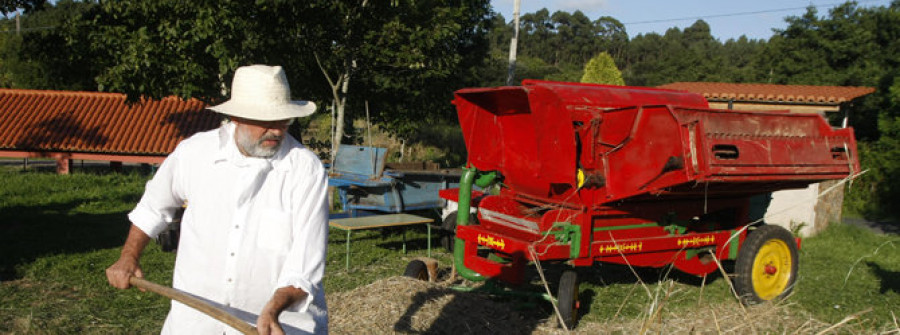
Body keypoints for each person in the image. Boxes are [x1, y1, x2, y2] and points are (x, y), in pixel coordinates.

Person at [106, 65, 329, 335]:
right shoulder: (194, 153)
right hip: (196, 323)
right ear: (237, 117)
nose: (277, 131)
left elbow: (305, 263)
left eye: (283, 120)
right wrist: (128, 257)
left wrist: (273, 307)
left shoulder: (305, 169)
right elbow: (153, 207)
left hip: (280, 326)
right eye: (266, 121)